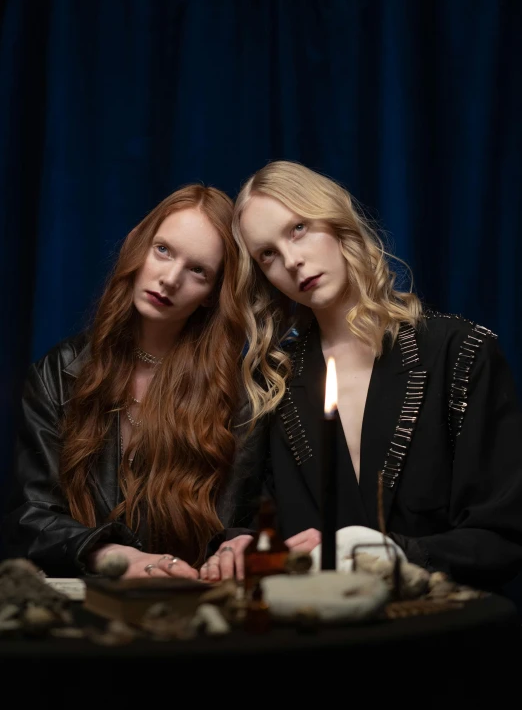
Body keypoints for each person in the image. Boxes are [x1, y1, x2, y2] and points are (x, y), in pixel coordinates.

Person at [201, 160, 522, 592]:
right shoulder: (272, 382)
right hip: (316, 636)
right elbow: (248, 523)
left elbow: (502, 539)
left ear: (335, 221)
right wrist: (241, 548)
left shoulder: (460, 353)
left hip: (441, 636)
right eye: (268, 254)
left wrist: (384, 554)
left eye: (298, 228)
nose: (292, 261)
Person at [2, 184, 244, 579]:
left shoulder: (236, 392)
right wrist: (109, 555)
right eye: (163, 250)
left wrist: (237, 546)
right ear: (137, 245)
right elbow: (29, 519)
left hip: (195, 612)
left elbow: (243, 518)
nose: (169, 279)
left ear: (211, 295)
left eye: (198, 270)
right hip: (87, 615)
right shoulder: (59, 373)